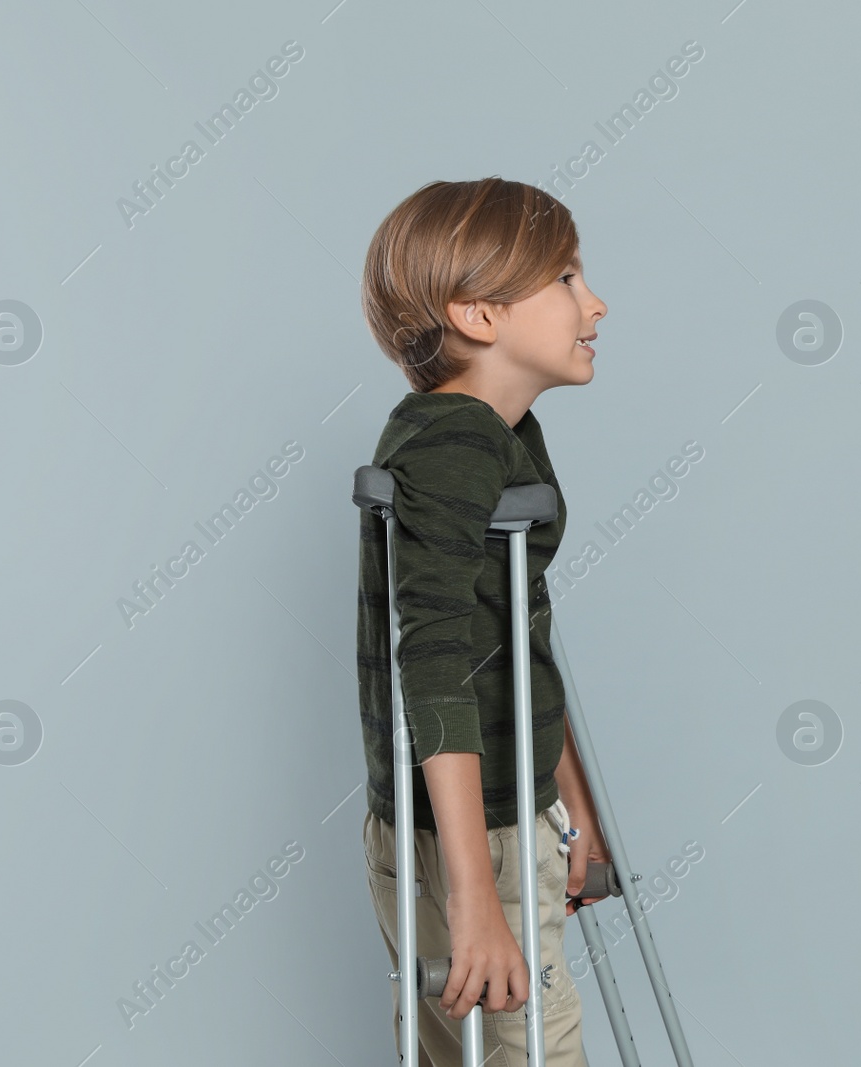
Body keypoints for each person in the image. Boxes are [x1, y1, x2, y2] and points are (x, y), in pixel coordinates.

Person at [356, 176, 610, 1066]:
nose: (596, 303)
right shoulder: (454, 442)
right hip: (479, 834)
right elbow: (436, 662)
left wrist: (570, 803)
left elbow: (515, 627)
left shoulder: (502, 430)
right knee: (533, 1050)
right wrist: (476, 901)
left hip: (498, 814)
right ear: (478, 314)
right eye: (567, 280)